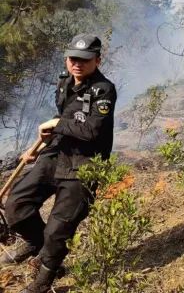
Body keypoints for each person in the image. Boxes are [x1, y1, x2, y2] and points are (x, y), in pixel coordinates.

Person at [0, 34, 116, 293]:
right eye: (73, 58)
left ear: (97, 60)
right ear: (66, 59)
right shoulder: (64, 82)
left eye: (85, 60)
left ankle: (43, 281)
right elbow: (62, 117)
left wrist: (57, 124)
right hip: (56, 155)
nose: (77, 64)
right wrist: (39, 145)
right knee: (17, 205)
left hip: (84, 164)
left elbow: (93, 131)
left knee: (58, 229)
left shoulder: (103, 90)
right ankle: (35, 244)